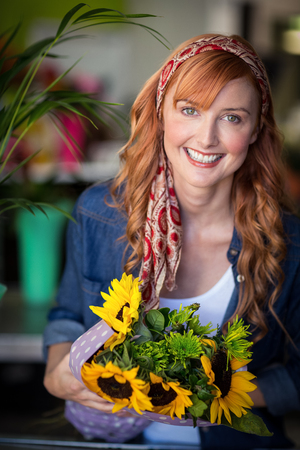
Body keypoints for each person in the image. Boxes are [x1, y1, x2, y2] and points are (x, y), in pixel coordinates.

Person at [43, 34, 300, 449]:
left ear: (254, 131)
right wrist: (56, 375)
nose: (206, 138)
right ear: (162, 113)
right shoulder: (98, 212)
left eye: (232, 117)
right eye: (190, 110)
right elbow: (68, 317)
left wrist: (203, 395)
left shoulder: (289, 244)